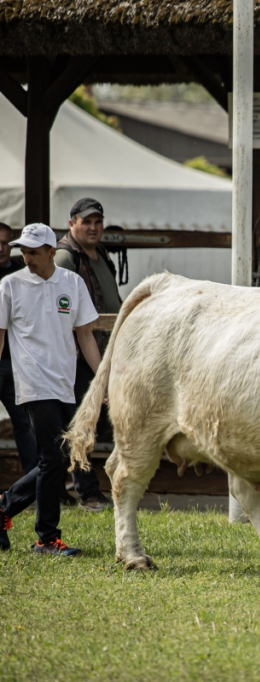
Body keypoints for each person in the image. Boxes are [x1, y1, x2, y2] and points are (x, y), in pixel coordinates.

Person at [0, 224, 101, 554]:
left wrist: (101, 379)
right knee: (53, 458)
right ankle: (46, 538)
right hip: (33, 383)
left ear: (50, 252)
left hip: (65, 385)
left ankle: (4, 508)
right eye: (23, 251)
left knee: (57, 459)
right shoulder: (9, 286)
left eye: (33, 251)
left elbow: (85, 334)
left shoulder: (72, 283)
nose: (26, 257)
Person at [54, 197, 117, 512]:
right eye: (86, 222)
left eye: (97, 222)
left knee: (100, 420)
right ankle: (87, 492)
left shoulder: (99, 253)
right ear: (72, 223)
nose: (93, 228)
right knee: (83, 422)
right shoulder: (65, 258)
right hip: (79, 357)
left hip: (104, 350)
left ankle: (74, 487)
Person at [0, 223, 37, 475]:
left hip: (14, 362)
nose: (1, 248)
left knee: (25, 423)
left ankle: (37, 485)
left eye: (5, 243)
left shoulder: (20, 275)